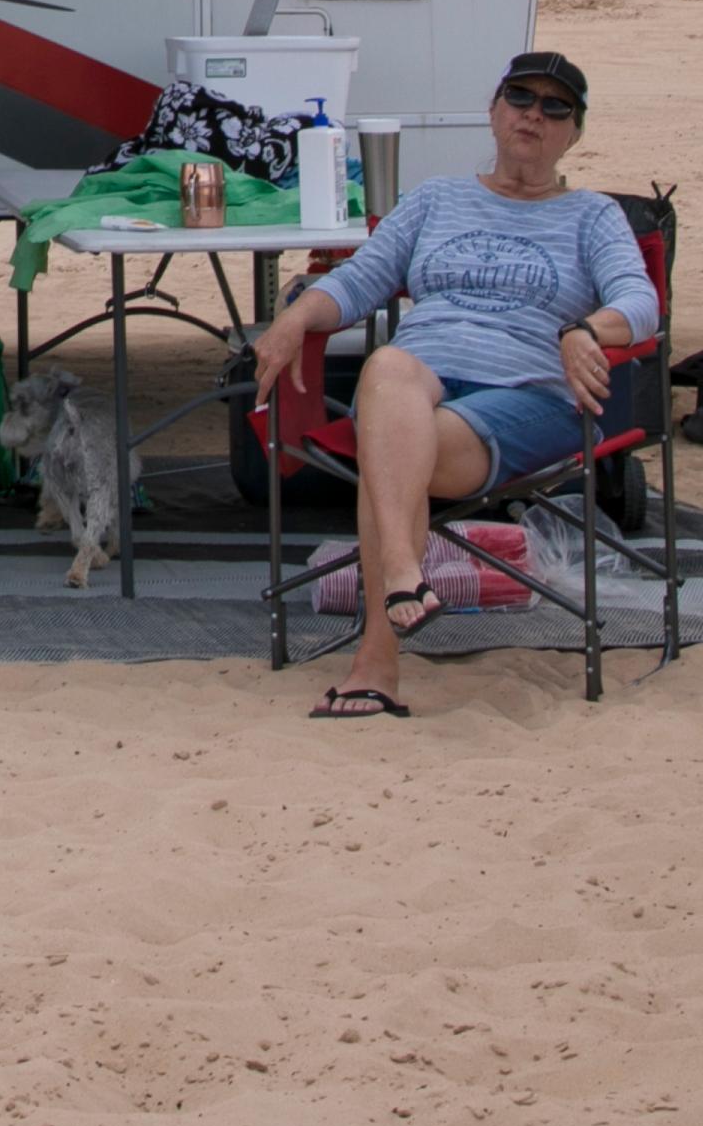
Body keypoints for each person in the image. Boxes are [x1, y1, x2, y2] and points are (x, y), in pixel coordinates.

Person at [242, 49, 656, 720]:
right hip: (417, 387)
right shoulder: (436, 199)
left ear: (574, 132)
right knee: (386, 370)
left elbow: (640, 301)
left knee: (388, 443)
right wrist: (293, 318)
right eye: (521, 98)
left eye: (556, 107)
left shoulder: (592, 216)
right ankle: (403, 576)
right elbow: (355, 282)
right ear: (493, 112)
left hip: (525, 398)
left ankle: (375, 659)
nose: (534, 115)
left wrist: (584, 329)